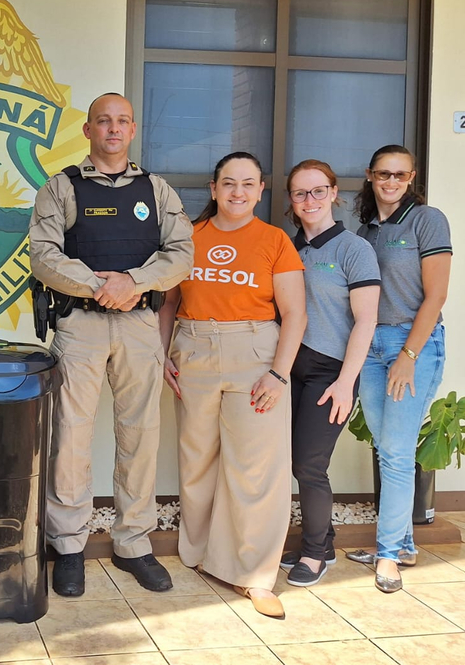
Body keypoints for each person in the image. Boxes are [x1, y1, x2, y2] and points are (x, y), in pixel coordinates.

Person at [29, 93, 193, 597]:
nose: (113, 129)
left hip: (140, 323)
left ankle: (134, 543)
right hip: (80, 323)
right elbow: (42, 254)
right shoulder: (61, 187)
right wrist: (100, 286)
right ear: (89, 130)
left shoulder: (156, 189)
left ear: (133, 128)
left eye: (122, 121)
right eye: (104, 121)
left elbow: (183, 252)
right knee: (71, 432)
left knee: (140, 431)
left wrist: (133, 282)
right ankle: (69, 544)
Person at [159, 152, 306, 620]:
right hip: (194, 348)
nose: (237, 192)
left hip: (255, 353)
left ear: (261, 189)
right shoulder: (189, 237)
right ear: (214, 187)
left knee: (256, 467)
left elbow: (296, 313)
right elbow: (169, 303)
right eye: (229, 183)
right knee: (197, 457)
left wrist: (279, 373)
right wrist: (163, 354)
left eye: (247, 184)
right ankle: (202, 555)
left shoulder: (275, 239)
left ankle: (255, 574)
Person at [346, 145, 451, 593]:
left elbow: (436, 295)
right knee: (388, 448)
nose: (391, 182)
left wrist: (407, 356)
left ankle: (387, 555)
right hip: (369, 348)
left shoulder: (427, 220)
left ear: (412, 178)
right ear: (370, 176)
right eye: (383, 174)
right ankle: (402, 545)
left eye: (400, 175)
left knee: (395, 451)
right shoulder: (366, 231)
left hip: (413, 344)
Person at [280, 160, 379, 587]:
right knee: (292, 458)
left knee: (309, 464)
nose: (310, 200)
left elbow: (366, 321)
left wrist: (345, 383)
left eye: (318, 191)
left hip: (330, 372)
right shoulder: (288, 247)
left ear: (334, 193)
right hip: (292, 367)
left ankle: (316, 553)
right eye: (300, 193)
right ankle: (323, 540)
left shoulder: (354, 250)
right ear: (291, 200)